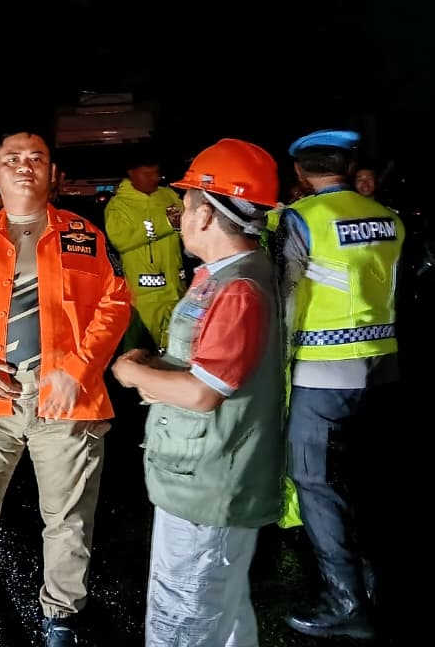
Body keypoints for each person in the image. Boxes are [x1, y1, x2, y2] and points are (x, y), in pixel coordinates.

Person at [0, 131, 131, 647]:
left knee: (67, 517)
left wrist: (78, 370)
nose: (24, 166)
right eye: (11, 159)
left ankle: (61, 616)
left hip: (66, 396)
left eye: (36, 158)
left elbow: (115, 304)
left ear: (52, 173)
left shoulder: (85, 235)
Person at [111, 139, 285, 646]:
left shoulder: (239, 289)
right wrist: (157, 367)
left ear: (206, 215)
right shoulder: (221, 277)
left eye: (185, 207)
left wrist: (131, 373)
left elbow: (205, 392)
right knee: (223, 616)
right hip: (201, 476)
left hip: (210, 487)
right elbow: (203, 363)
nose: (181, 217)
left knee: (183, 621)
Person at [280, 129, 405, 639]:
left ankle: (347, 603)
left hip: (322, 370)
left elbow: (287, 296)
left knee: (315, 481)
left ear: (300, 171)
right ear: (348, 167)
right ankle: (374, 586)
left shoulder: (301, 218)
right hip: (383, 365)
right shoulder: (388, 217)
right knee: (368, 479)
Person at [104, 161, 187, 350]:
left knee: (177, 348)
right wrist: (166, 223)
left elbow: (186, 226)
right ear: (131, 173)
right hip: (143, 294)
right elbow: (120, 239)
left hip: (177, 287)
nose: (154, 178)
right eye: (147, 173)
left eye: (156, 172)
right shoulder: (119, 205)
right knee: (140, 350)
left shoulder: (168, 195)